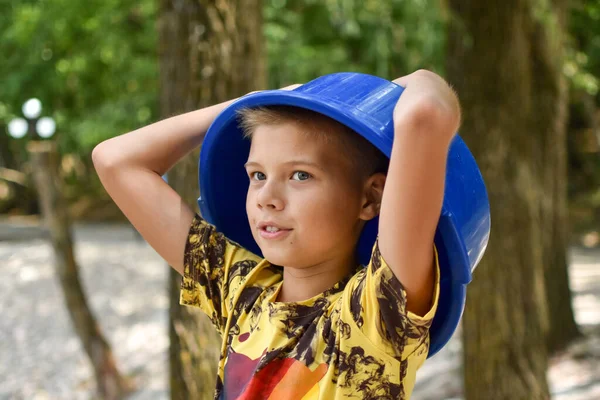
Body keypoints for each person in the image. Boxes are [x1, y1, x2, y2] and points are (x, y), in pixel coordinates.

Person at [92, 69, 461, 399]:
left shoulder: (373, 317)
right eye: (258, 175)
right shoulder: (241, 290)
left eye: (300, 175)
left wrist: (386, 93)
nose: (267, 198)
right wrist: (257, 102)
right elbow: (115, 160)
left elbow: (425, 114)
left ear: (370, 198)